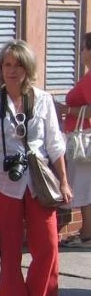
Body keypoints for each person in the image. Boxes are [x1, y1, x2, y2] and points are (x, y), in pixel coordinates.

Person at [0, 40, 72, 296]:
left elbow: (55, 143)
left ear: (27, 68)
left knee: (48, 244)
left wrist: (64, 181)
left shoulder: (41, 99)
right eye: (6, 64)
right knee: (10, 246)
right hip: (1, 180)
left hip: (38, 180)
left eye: (17, 65)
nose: (11, 70)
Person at [61, 31, 91, 248]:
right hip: (82, 136)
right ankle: (85, 231)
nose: (80, 53)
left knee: (83, 187)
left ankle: (87, 234)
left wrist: (66, 109)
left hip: (83, 138)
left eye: (82, 48)